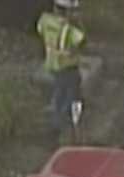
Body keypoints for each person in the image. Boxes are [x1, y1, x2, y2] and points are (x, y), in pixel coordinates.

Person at [37, 0, 87, 142]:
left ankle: (56, 123)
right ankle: (66, 127)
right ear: (68, 11)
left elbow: (40, 30)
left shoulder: (45, 21)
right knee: (72, 97)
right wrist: (78, 22)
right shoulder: (69, 29)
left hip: (53, 65)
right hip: (69, 67)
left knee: (59, 94)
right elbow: (81, 40)